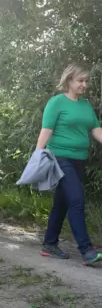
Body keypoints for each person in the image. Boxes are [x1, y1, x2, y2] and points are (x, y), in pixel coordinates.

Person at [36, 62, 102, 265]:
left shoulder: (85, 105)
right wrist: (38, 155)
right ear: (69, 80)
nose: (85, 85)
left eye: (86, 81)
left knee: (62, 202)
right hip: (60, 158)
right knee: (76, 200)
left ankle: (49, 243)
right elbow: (46, 131)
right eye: (80, 80)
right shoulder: (56, 103)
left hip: (79, 159)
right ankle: (86, 250)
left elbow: (95, 129)